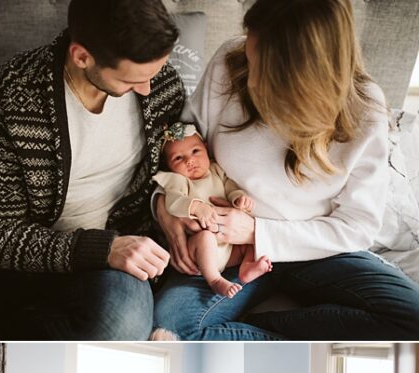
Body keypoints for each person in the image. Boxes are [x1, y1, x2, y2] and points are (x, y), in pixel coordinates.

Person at [0, 0, 185, 340]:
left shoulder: (161, 85)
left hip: (111, 260)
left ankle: (20, 323)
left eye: (154, 74)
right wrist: (96, 248)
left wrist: (168, 208)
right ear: (82, 56)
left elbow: (179, 165)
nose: (148, 88)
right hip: (16, 259)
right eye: (132, 80)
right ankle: (36, 323)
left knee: (119, 325)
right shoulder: (9, 95)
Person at [152, 0, 419, 340]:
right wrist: (164, 204)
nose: (250, 81)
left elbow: (359, 225)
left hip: (317, 249)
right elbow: (185, 146)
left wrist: (257, 232)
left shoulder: (365, 110)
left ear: (305, 78)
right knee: (169, 328)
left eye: (263, 71)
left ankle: (268, 338)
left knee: (411, 319)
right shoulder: (229, 63)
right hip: (227, 249)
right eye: (250, 56)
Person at [152, 122, 271, 298]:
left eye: (195, 151)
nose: (189, 160)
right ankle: (215, 280)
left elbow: (231, 188)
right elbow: (174, 202)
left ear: (206, 148)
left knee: (254, 233)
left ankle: (246, 268)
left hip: (230, 249)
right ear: (168, 165)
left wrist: (238, 199)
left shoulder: (216, 171)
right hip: (199, 251)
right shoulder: (178, 180)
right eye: (178, 158)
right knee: (206, 238)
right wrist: (197, 207)